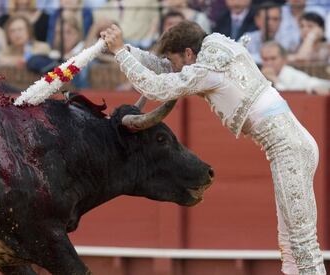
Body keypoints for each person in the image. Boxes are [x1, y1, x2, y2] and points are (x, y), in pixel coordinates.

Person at [101, 21, 326, 275]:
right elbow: (165, 69)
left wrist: (120, 53)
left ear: (188, 53)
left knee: (302, 244)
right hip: (296, 145)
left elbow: (157, 87)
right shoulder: (216, 44)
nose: (173, 67)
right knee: (291, 246)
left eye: (174, 60)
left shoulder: (208, 70)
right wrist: (125, 49)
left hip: (289, 151)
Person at [261, 41, 330, 94]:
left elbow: (288, 98)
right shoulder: (259, 77)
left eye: (273, 58)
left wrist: (275, 79)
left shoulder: (293, 75)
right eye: (265, 59)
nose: (269, 63)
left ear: (284, 59)